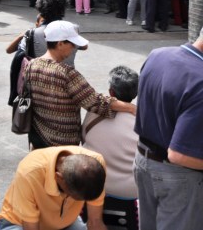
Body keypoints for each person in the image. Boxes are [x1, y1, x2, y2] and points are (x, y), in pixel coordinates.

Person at [134, 26, 203, 230]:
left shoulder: (158, 55)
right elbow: (179, 155)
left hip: (142, 160)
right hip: (176, 175)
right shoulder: (200, 81)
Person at [26, 20, 136, 149]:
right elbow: (96, 102)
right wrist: (131, 108)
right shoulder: (67, 74)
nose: (74, 48)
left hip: (38, 137)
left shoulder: (31, 65)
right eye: (72, 44)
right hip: (63, 145)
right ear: (60, 43)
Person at [0, 146, 108, 230]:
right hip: (19, 224)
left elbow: (95, 222)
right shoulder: (29, 173)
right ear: (59, 177)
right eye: (74, 197)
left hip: (65, 222)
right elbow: (31, 227)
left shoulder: (95, 165)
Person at [82, 66, 139, 200]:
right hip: (132, 191)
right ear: (135, 94)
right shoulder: (143, 120)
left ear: (110, 92)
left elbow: (83, 137)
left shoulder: (94, 113)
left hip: (94, 185)